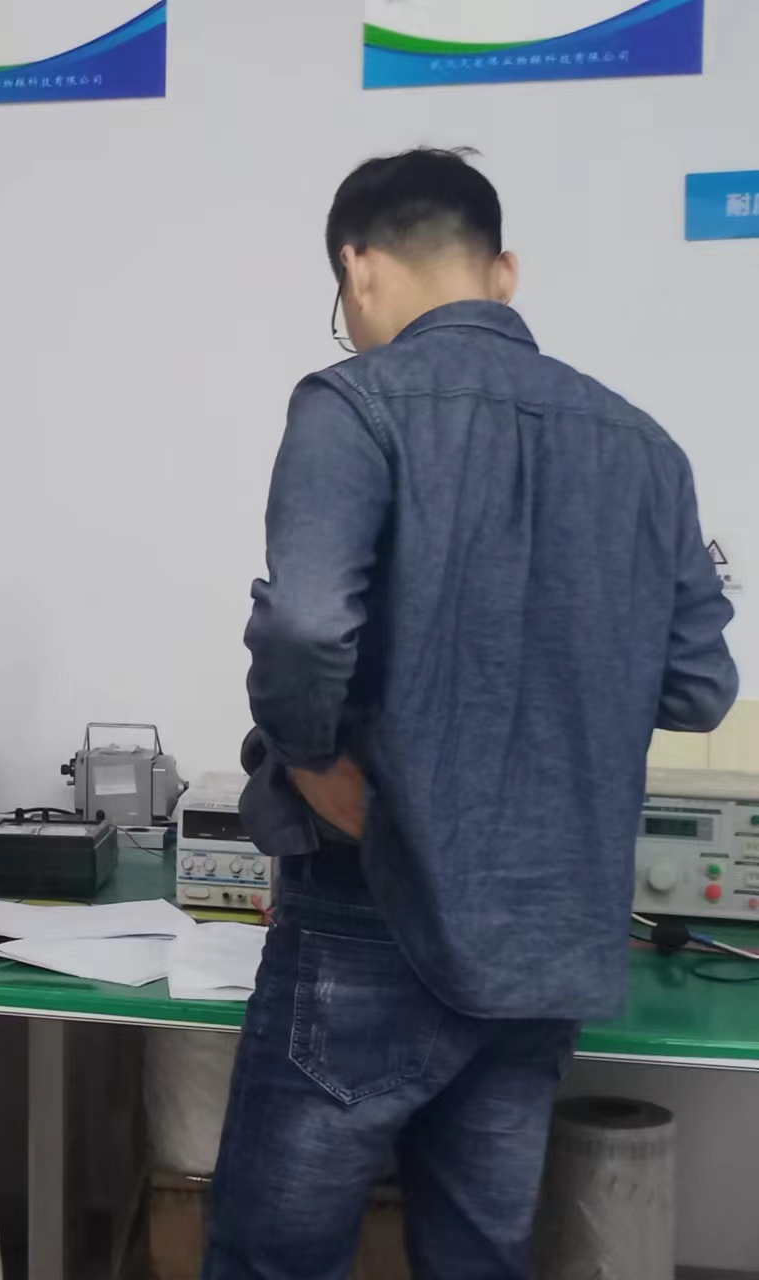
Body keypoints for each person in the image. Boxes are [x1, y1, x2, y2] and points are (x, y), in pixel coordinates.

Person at [210, 149, 737, 1279]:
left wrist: (308, 760)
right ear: (502, 273)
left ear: (357, 267)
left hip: (376, 903)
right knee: (480, 1259)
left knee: (274, 1260)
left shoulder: (353, 402)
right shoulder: (644, 445)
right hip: (549, 926)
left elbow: (305, 625)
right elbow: (699, 685)